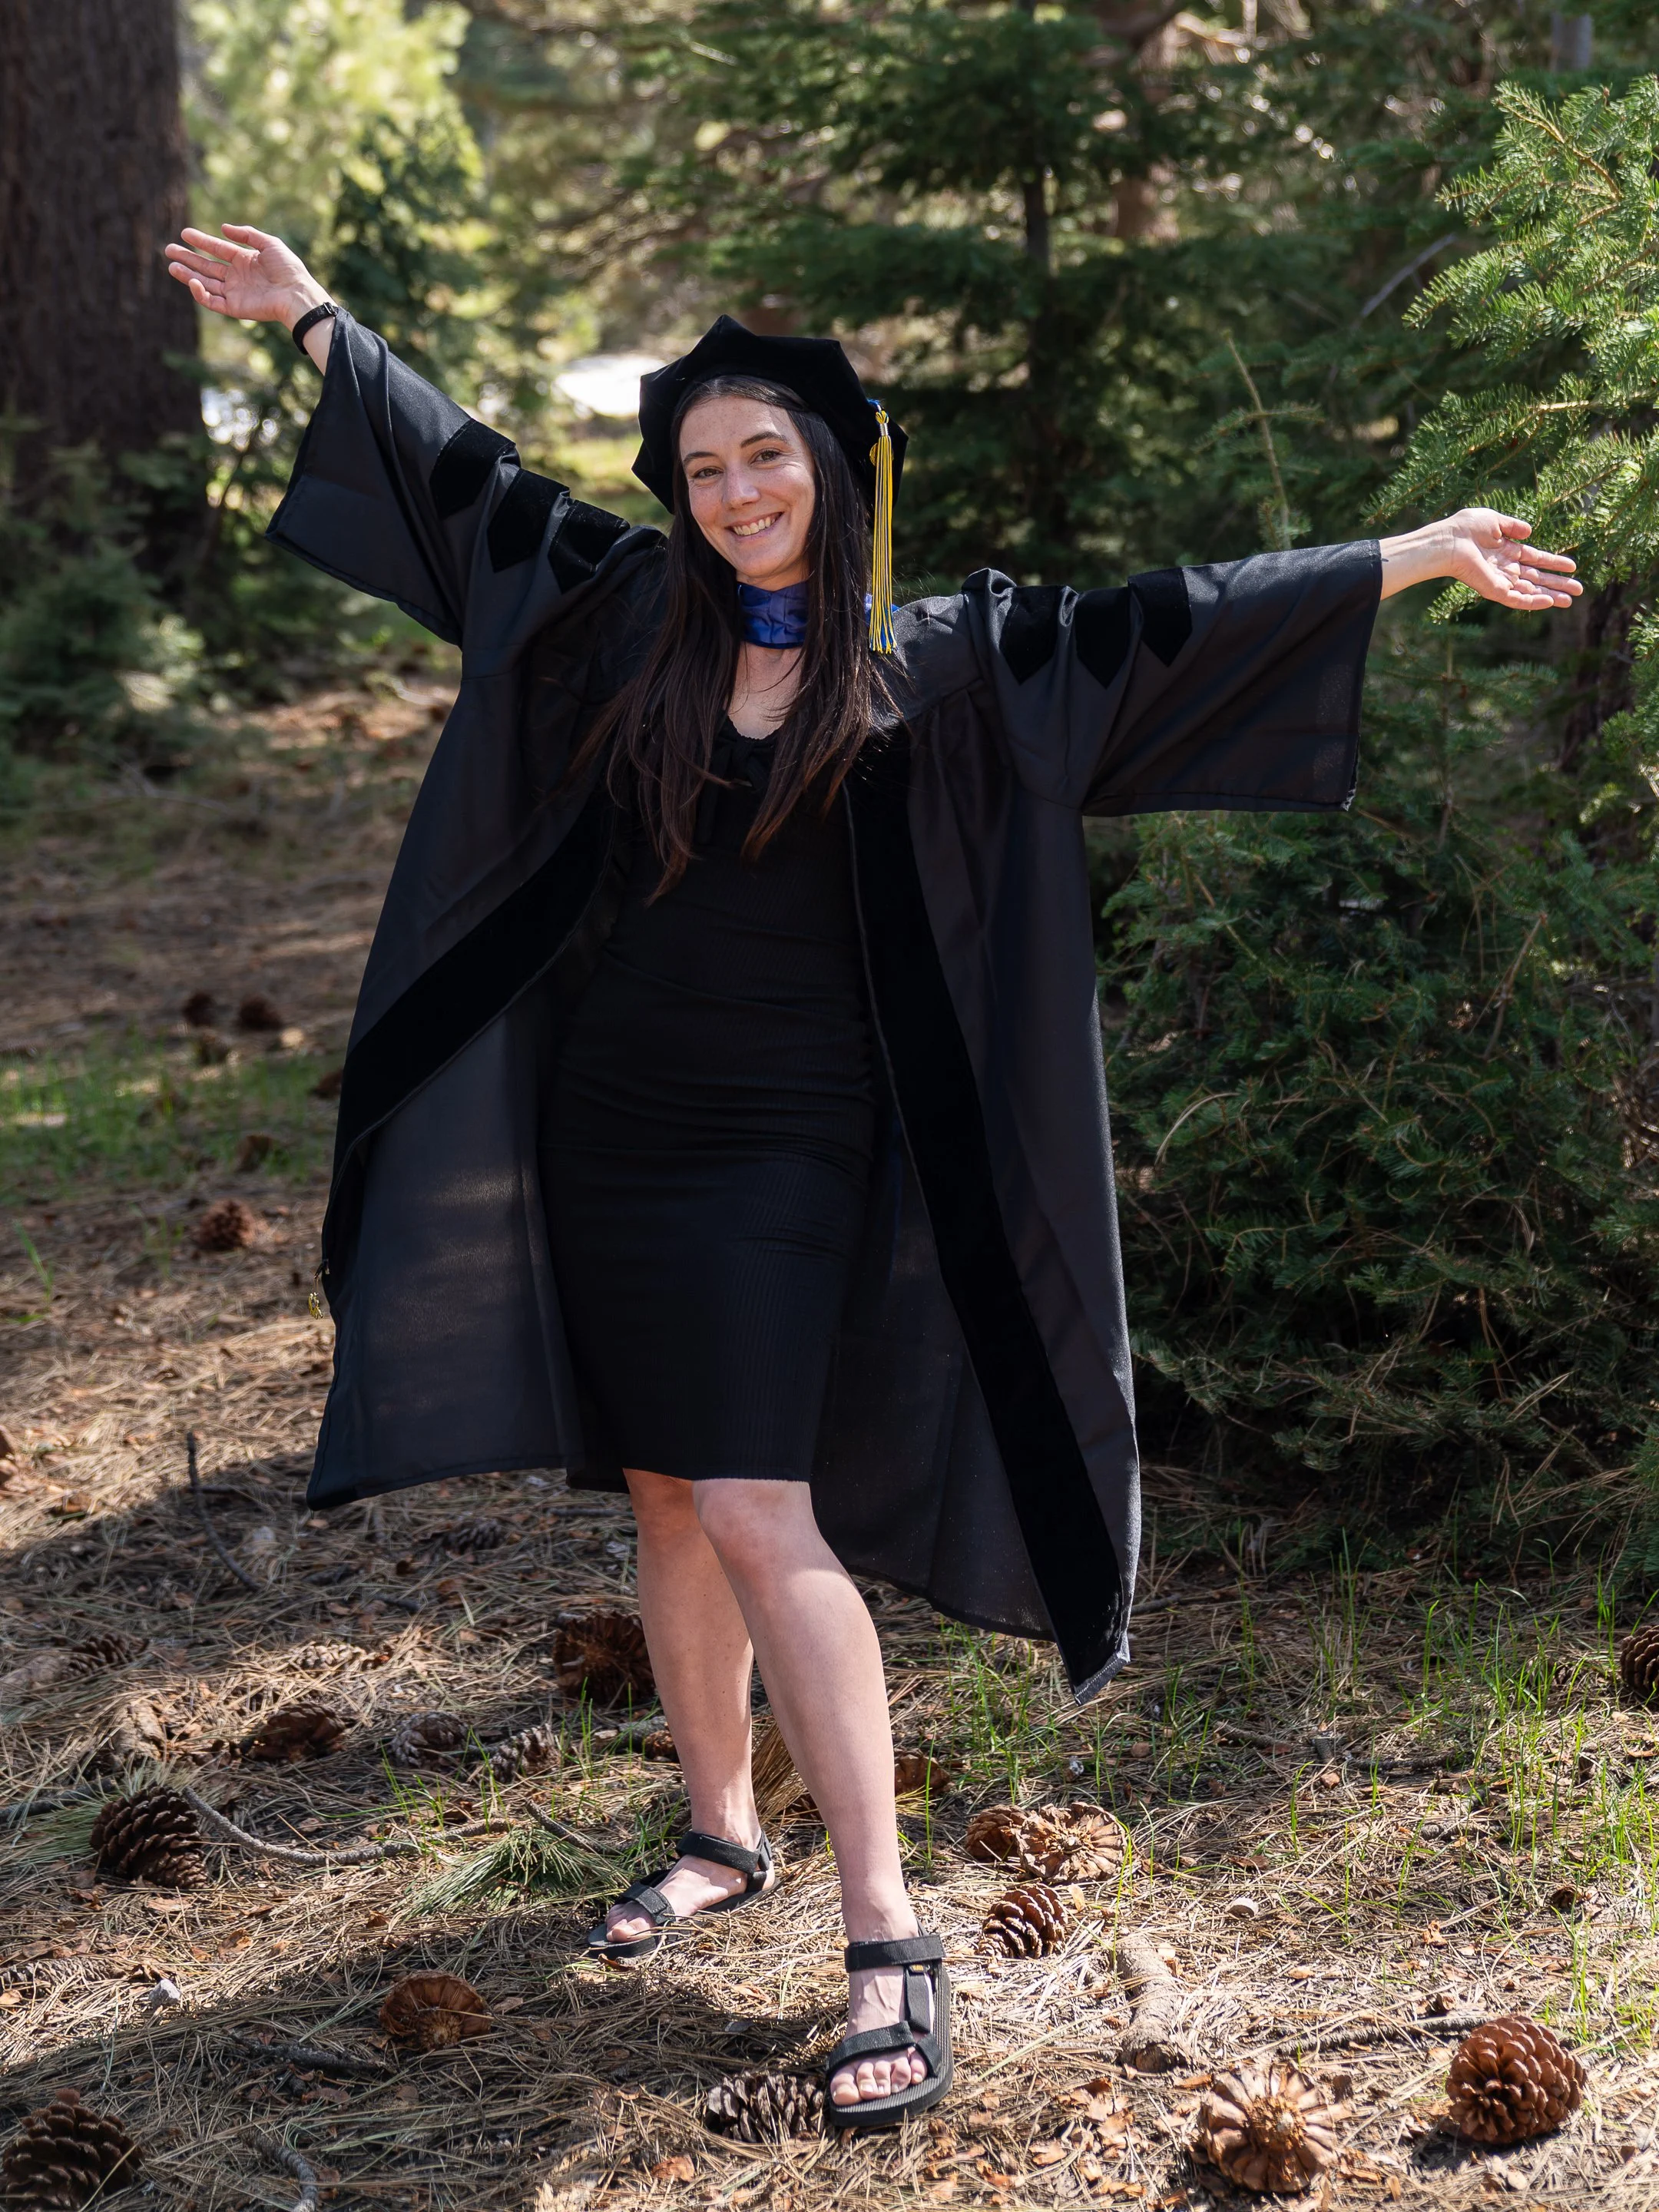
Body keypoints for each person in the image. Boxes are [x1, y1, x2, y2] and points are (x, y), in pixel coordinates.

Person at [165, 222, 1580, 2128]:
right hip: (617, 1126)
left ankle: (889, 1933)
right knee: (669, 1488)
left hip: (792, 1149)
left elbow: (1174, 622)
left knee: (758, 1502)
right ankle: (719, 1829)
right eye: (704, 469)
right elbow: (471, 489)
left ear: (838, 465)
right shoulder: (631, 621)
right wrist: (323, 323)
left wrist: (1410, 554)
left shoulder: (953, 663)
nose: (736, 494)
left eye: (767, 457)